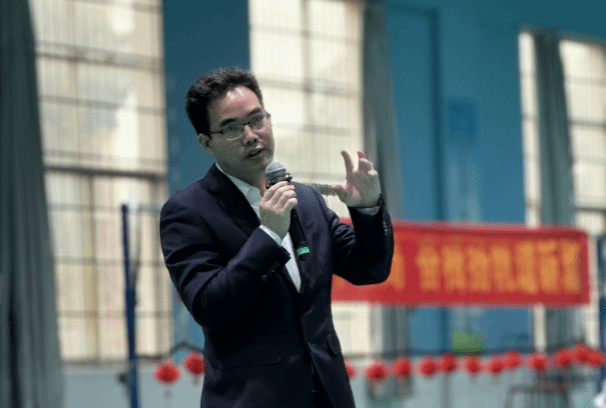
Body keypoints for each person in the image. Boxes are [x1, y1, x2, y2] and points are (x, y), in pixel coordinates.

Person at [159, 67, 394, 408]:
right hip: (252, 399)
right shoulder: (188, 211)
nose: (251, 135)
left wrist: (368, 208)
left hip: (328, 396)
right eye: (232, 128)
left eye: (257, 120)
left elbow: (369, 269)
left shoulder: (307, 200)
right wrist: (268, 235)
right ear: (206, 143)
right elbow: (209, 306)